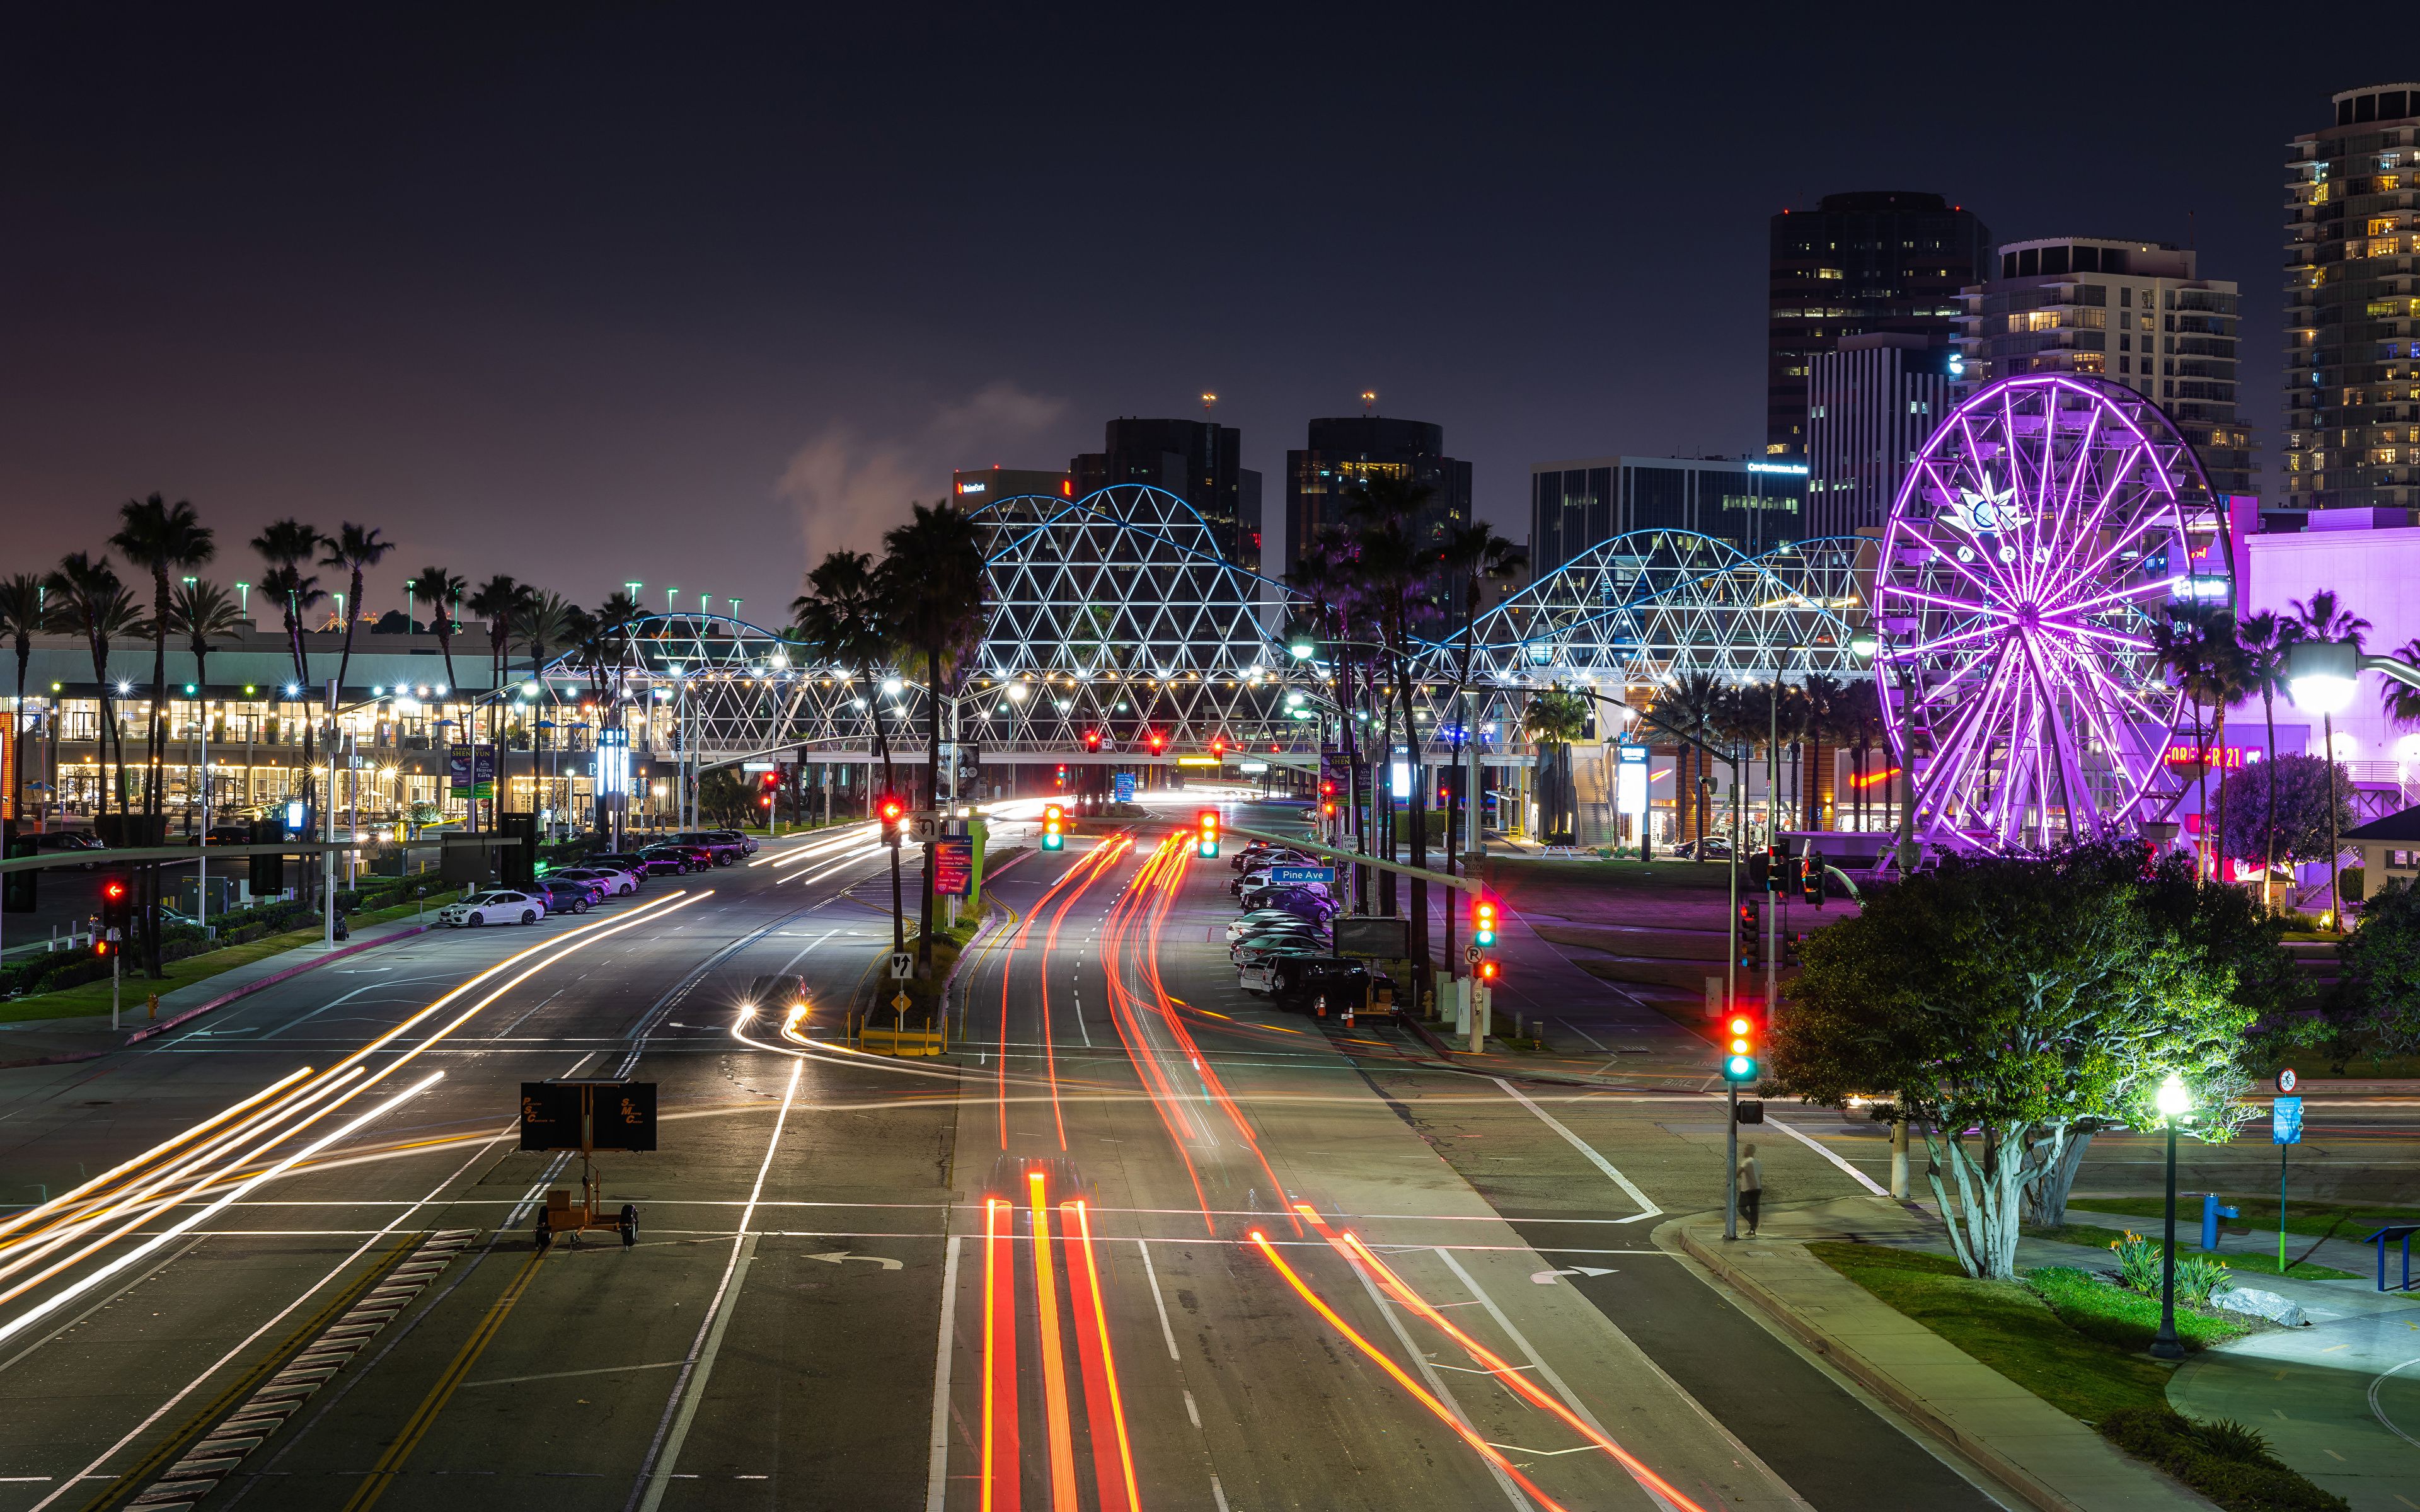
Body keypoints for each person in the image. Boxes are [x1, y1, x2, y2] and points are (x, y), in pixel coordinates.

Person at [1737, 1142, 1763, 1235]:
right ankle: (1752, 1229)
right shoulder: (1757, 1162)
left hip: (1748, 1189)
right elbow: (1759, 1176)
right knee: (1754, 1209)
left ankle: (1753, 1223)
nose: (1744, 1151)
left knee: (1741, 1208)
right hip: (1757, 1189)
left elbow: (1737, 1174)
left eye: (1746, 1149)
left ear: (1749, 1151)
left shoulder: (1747, 1161)